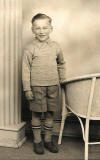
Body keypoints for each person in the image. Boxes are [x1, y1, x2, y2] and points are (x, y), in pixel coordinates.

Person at [22, 13, 66, 154]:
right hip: (36, 87)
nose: (41, 31)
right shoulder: (30, 48)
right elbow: (25, 69)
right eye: (38, 28)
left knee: (50, 114)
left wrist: (62, 79)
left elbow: (61, 64)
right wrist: (27, 88)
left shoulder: (56, 47)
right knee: (36, 115)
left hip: (53, 86)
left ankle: (47, 140)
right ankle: (37, 141)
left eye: (45, 28)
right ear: (33, 30)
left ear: (51, 29)